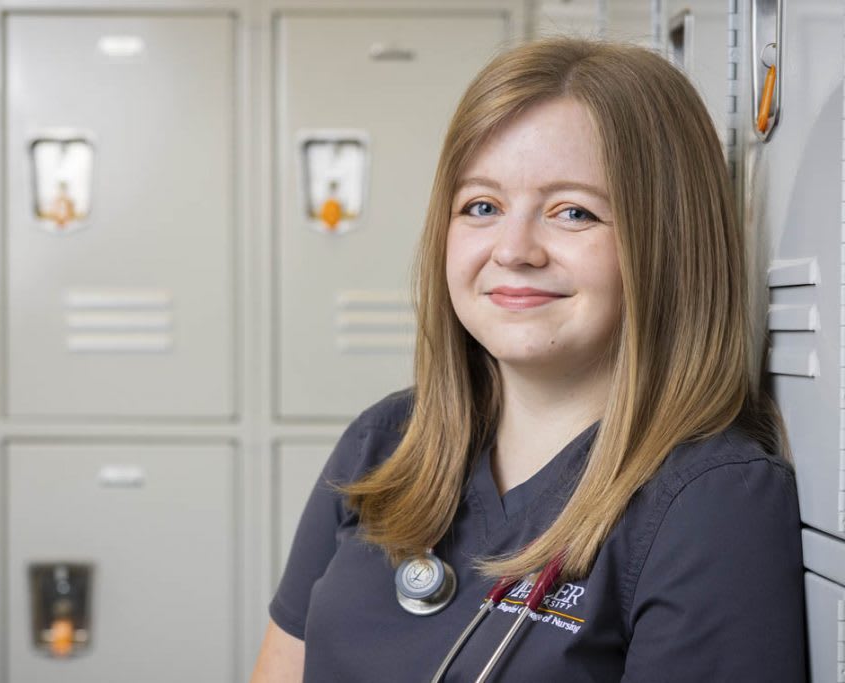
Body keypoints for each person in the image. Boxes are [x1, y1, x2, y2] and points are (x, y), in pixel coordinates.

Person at [251, 37, 806, 682]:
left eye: (573, 212)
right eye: (481, 206)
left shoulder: (712, 503)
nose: (513, 249)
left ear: (669, 245)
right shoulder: (384, 443)